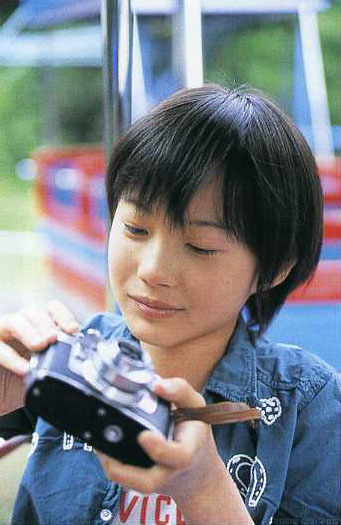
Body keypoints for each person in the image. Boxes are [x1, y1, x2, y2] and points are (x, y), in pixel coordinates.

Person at [0, 84, 339, 524]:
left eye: (199, 246)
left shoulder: (310, 408)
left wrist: (204, 493)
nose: (153, 269)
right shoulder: (67, 359)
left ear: (275, 268)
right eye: (136, 229)